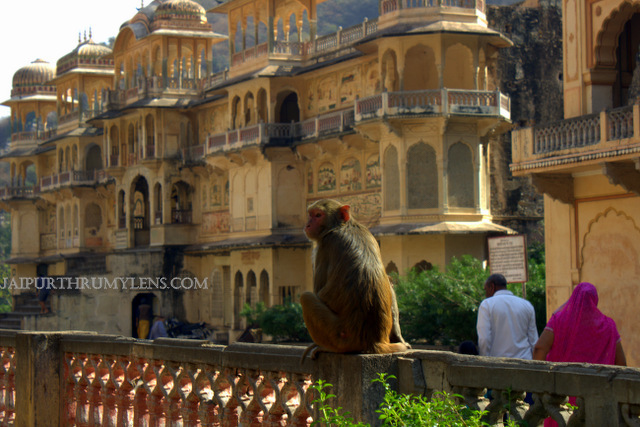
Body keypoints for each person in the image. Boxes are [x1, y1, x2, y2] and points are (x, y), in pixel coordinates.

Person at [533, 282, 626, 426]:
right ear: (595, 300)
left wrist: (540, 381)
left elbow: (540, 349)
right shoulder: (608, 326)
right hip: (597, 399)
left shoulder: (559, 321)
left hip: (561, 396)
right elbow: (621, 364)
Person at [476, 273, 538, 359]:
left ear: (492, 287)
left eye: (485, 289)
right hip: (525, 362)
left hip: (498, 363)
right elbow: (534, 341)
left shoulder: (487, 305)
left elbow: (484, 339)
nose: (485, 293)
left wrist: (483, 360)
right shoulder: (527, 305)